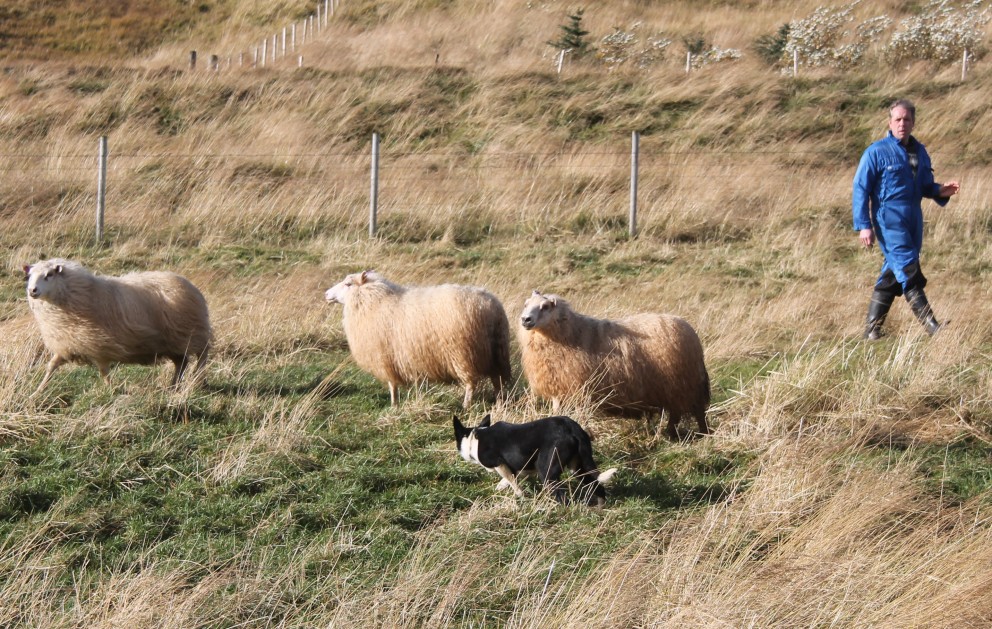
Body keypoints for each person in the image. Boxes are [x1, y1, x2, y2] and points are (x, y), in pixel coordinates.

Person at [852, 99, 960, 339]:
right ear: (890, 123)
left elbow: (923, 186)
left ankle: (872, 330)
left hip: (913, 218)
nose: (902, 123)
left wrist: (940, 190)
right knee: (909, 268)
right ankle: (933, 328)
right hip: (888, 218)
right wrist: (864, 226)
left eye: (907, 119)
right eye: (897, 119)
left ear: (913, 122)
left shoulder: (920, 151)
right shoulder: (876, 151)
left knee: (892, 273)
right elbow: (860, 188)